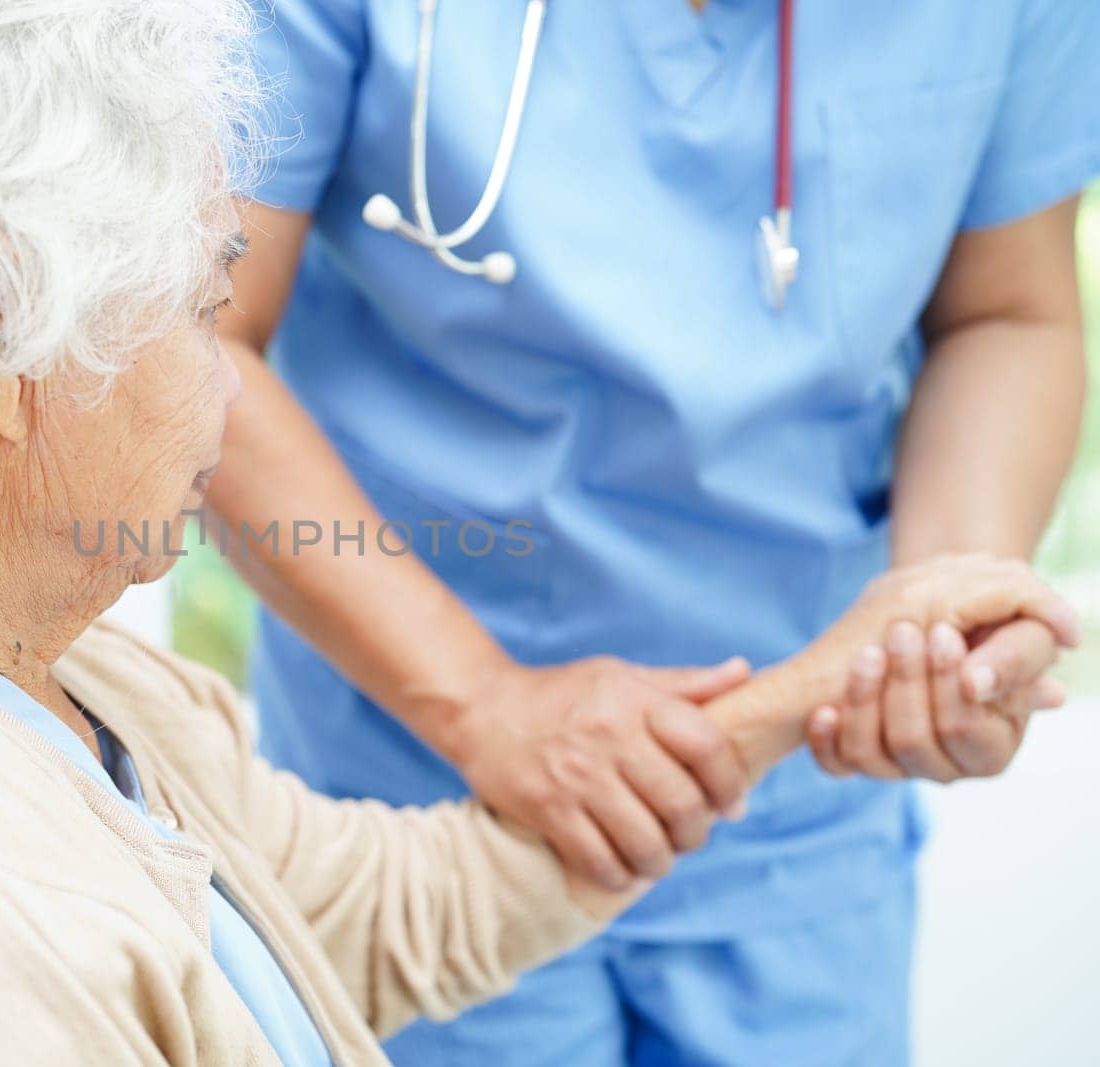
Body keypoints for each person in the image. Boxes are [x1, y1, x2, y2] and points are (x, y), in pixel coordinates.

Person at [0, 1, 1081, 1063]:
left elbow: (369, 914)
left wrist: (808, 688)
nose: (229, 382)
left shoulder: (82, 684)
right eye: (193, 288)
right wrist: (484, 703)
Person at [209, 0, 1100, 1062]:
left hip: (797, 822)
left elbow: (1004, 309)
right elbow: (191, 331)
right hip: (414, 797)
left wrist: (941, 614)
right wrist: (481, 697)